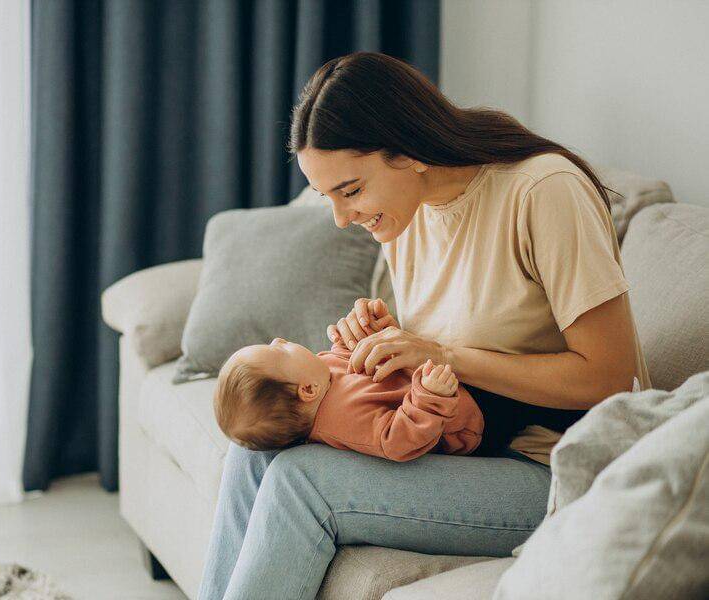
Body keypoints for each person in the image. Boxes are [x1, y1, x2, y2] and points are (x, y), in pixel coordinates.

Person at [198, 51, 650, 600]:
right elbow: (435, 358)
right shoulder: (407, 221)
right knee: (254, 451)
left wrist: (442, 354)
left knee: (300, 483)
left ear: (408, 152)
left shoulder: (542, 191)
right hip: (465, 444)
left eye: (351, 191)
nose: (341, 219)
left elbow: (609, 377)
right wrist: (380, 339)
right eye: (328, 197)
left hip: (557, 467)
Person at [213, 332, 484, 461]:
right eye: (279, 351)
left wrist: (362, 335)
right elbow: (398, 439)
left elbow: (353, 363)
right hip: (467, 419)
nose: (280, 339)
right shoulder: (345, 420)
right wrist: (430, 397)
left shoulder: (319, 375)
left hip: (439, 375)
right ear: (308, 391)